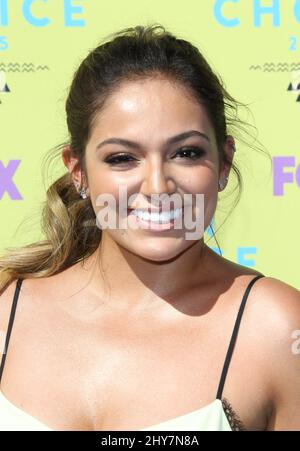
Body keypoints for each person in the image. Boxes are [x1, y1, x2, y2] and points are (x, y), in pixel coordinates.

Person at [0, 24, 299, 431]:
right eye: (123, 158)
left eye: (186, 153)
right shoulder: (6, 310)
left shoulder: (278, 329)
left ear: (224, 162)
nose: (158, 187)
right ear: (78, 171)